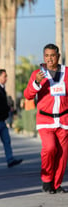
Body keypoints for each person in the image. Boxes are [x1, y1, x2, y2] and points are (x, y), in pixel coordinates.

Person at [24, 43, 68, 194]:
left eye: (53, 55)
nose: (50, 59)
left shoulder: (66, 72)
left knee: (62, 155)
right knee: (49, 148)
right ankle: (47, 179)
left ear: (58, 56)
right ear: (44, 57)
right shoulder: (38, 74)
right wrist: (36, 82)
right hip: (45, 120)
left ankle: (56, 184)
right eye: (47, 56)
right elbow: (28, 95)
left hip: (63, 120)